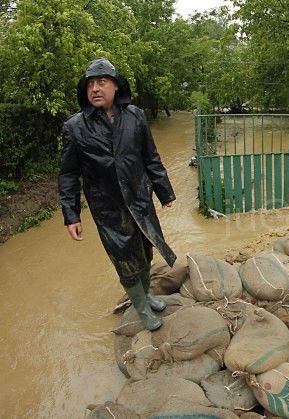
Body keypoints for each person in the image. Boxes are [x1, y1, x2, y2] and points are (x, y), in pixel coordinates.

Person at [58, 58, 176, 331]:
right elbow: (67, 175)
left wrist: (164, 190)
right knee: (124, 259)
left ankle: (147, 294)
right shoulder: (75, 128)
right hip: (108, 208)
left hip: (140, 199)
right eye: (90, 84)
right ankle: (141, 307)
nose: (95, 89)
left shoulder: (135, 116)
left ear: (115, 86)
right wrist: (71, 214)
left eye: (102, 82)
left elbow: (151, 157)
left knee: (145, 250)